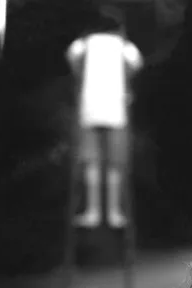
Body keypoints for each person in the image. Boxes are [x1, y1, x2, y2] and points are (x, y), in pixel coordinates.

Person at [65, 10, 143, 228]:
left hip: (89, 111)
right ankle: (114, 213)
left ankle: (93, 212)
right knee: (114, 164)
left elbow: (72, 59)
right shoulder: (124, 47)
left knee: (92, 162)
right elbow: (136, 64)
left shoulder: (82, 45)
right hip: (116, 111)